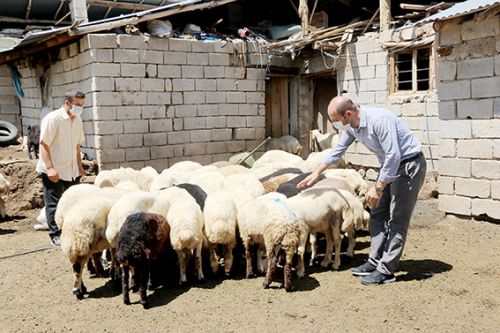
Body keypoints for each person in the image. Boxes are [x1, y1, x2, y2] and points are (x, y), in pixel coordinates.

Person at [298, 96, 426, 285]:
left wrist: (379, 186)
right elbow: (338, 149)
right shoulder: (353, 126)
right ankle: (374, 261)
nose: (336, 125)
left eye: (336, 121)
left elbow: (394, 155)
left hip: (408, 166)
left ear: (348, 114)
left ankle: (386, 270)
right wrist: (316, 172)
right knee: (377, 213)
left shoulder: (379, 120)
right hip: (389, 167)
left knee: (397, 219)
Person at [36, 91, 86, 246]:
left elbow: (77, 145)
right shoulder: (53, 119)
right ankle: (55, 234)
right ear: (67, 103)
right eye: (77, 104)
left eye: (82, 105)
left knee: (73, 202)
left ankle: (69, 230)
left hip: (71, 170)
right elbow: (44, 144)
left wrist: (79, 165)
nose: (79, 108)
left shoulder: (77, 120)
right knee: (54, 203)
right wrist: (50, 168)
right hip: (55, 169)